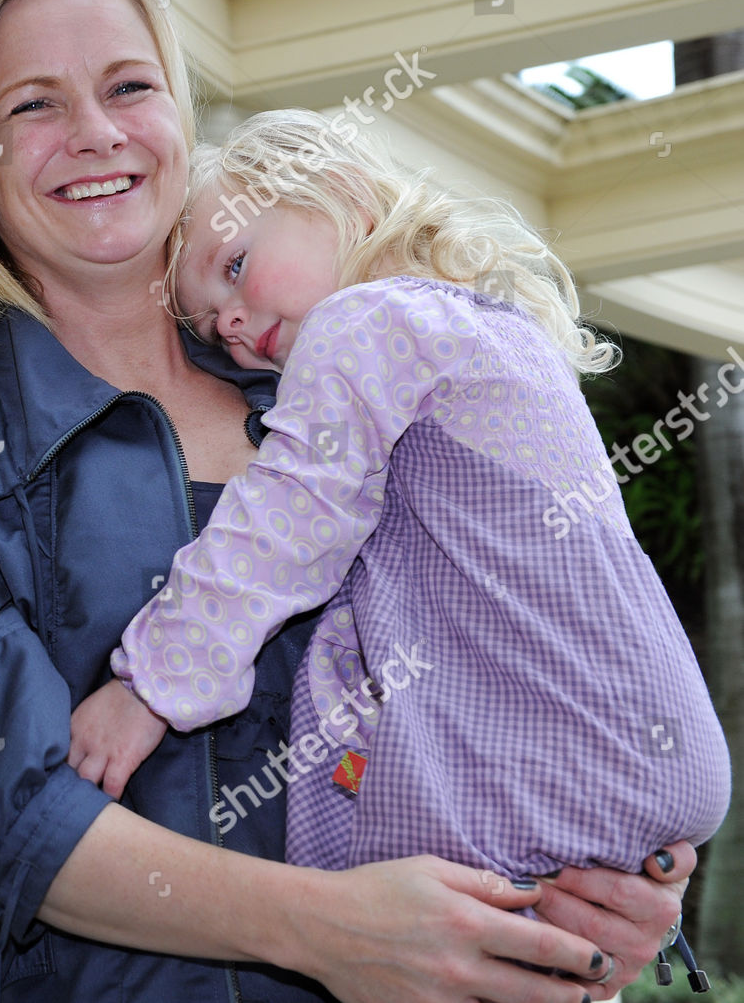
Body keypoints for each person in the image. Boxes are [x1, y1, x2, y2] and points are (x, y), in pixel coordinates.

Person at [0, 0, 694, 1003]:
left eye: (130, 86)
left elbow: (512, 652)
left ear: (181, 125)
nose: (96, 132)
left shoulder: (339, 380)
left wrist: (600, 867)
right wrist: (330, 930)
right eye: (34, 104)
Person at [68, 111, 730, 963]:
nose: (230, 322)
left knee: (415, 938)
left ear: (335, 192)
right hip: (636, 751)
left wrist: (150, 685)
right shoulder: (496, 332)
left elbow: (286, 522)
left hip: (552, 773)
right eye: (208, 323)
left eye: (235, 266)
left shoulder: (368, 324)